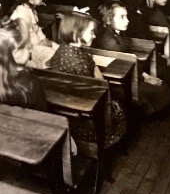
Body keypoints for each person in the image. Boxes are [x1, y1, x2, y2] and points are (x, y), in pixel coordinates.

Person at [48, 12, 127, 148]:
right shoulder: (83, 63)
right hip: (87, 122)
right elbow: (102, 90)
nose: (94, 36)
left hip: (64, 114)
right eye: (91, 32)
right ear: (75, 35)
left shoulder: (61, 50)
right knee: (120, 102)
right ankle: (111, 141)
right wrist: (93, 65)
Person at [94, 0, 170, 115]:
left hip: (128, 75)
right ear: (108, 20)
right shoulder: (110, 42)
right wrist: (147, 78)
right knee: (162, 90)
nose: (127, 20)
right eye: (122, 17)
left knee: (162, 84)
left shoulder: (114, 32)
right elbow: (127, 67)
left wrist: (146, 76)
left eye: (126, 16)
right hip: (121, 84)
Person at [0, 25, 48, 112]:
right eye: (27, 47)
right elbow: (43, 115)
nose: (30, 50)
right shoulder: (32, 84)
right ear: (16, 54)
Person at [10, 0, 59, 69]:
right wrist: (41, 43)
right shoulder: (21, 13)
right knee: (52, 54)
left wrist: (44, 39)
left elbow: (37, 29)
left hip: (37, 43)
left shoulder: (31, 10)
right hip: (27, 48)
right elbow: (24, 37)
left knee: (59, 49)